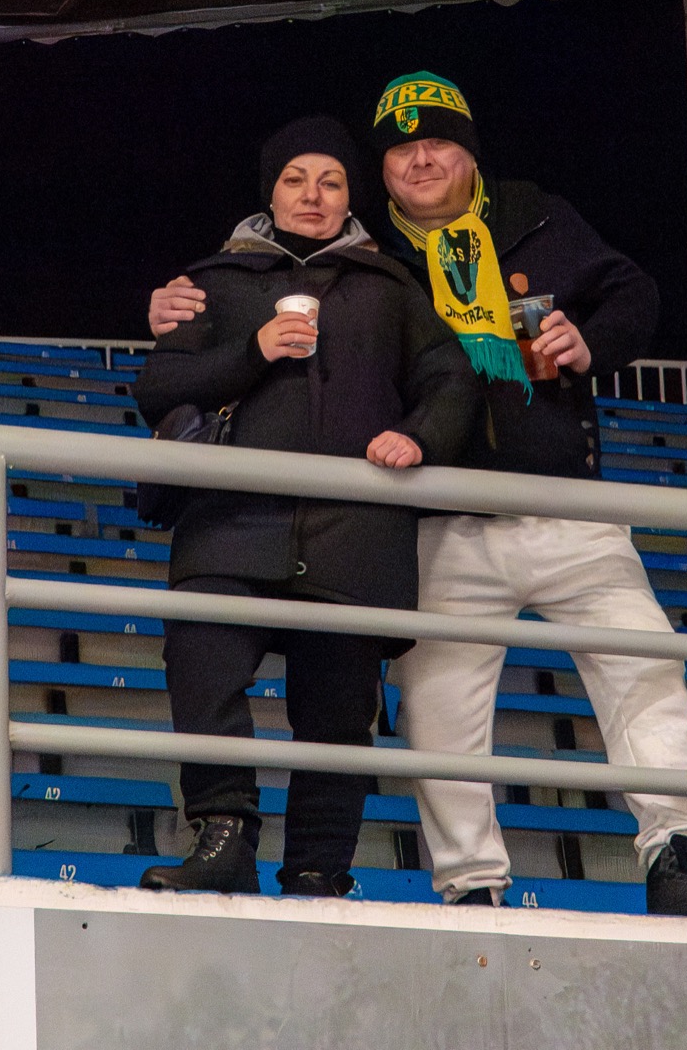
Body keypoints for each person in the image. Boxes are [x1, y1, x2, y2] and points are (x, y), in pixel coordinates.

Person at [150, 74, 687, 920]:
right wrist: (173, 303)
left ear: (470, 153)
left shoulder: (535, 216)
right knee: (440, 712)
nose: (420, 160)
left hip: (566, 505)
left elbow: (634, 292)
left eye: (439, 142)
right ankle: (472, 887)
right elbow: (252, 282)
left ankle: (677, 859)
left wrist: (591, 341)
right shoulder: (367, 254)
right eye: (400, 149)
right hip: (439, 517)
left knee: (645, 668)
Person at [132, 115, 479, 898]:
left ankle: (321, 868)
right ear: (271, 192)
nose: (312, 195)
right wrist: (253, 350)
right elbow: (158, 389)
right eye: (295, 180)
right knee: (204, 672)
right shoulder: (214, 279)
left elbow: (451, 380)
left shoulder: (392, 284)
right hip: (229, 525)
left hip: (353, 535)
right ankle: (223, 840)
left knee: (338, 715)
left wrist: (418, 436)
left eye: (331, 181)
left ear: (351, 197)